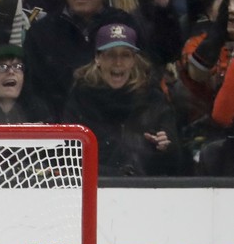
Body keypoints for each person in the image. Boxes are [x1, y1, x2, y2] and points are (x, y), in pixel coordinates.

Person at [23, 0, 181, 121]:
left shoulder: (124, 24)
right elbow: (32, 91)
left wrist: (163, 4)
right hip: (61, 131)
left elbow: (164, 55)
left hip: (118, 125)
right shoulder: (42, 32)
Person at [62, 22, 181, 176]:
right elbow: (70, 157)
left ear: (133, 60)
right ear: (98, 58)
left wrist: (166, 148)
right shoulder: (80, 98)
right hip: (97, 188)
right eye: (111, 54)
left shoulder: (153, 99)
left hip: (147, 190)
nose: (118, 62)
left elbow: (176, 163)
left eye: (125, 55)